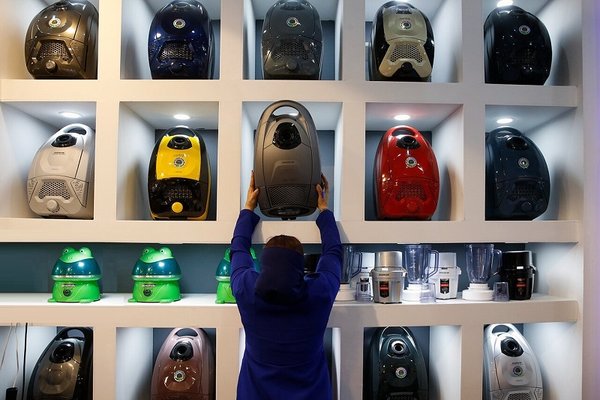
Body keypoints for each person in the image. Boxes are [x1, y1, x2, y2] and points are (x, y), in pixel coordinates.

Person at [230, 171, 342, 400]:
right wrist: (323, 210)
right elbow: (333, 253)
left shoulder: (246, 289)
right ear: (300, 265)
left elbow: (238, 248)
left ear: (265, 263)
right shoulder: (319, 293)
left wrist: (248, 208)